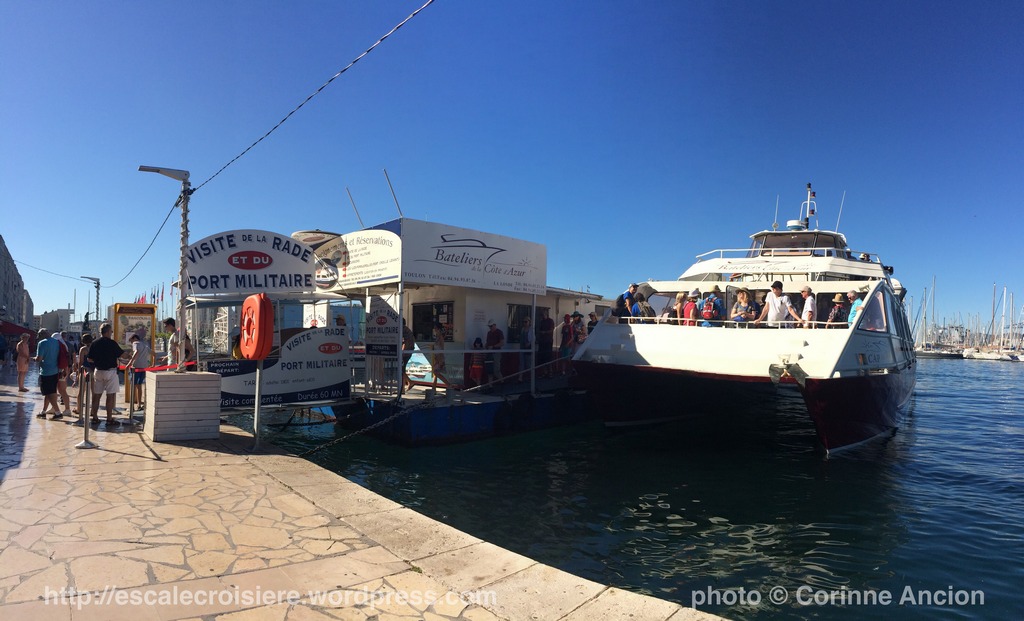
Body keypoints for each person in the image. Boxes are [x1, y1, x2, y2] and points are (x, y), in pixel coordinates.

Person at [87, 322, 127, 426]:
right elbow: (122, 355)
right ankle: (109, 419)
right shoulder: (112, 343)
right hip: (111, 372)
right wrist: (131, 356)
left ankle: (95, 418)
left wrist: (98, 360)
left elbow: (89, 359)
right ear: (108, 332)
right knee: (110, 396)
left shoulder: (94, 343)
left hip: (98, 371)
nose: (111, 333)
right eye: (111, 331)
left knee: (96, 396)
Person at [34, 329, 63, 419]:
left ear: (41, 335)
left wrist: (33, 359)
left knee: (49, 393)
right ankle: (43, 411)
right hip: (55, 370)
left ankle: (58, 412)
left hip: (45, 371)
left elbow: (39, 358)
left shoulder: (42, 343)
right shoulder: (56, 342)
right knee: (50, 392)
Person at [125, 333, 153, 410]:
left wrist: (129, 363)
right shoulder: (145, 345)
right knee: (139, 386)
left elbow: (136, 351)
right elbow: (154, 354)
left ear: (134, 338)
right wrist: (153, 364)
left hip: (136, 367)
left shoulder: (135, 343)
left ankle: (132, 407)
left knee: (133, 386)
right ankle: (139, 404)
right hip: (143, 368)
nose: (131, 343)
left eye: (131, 341)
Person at [77, 333, 98, 423]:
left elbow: (81, 361)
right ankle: (93, 411)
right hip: (94, 371)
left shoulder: (83, 349)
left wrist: (78, 372)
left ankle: (79, 409)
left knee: (81, 391)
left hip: (85, 371)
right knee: (94, 392)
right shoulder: (95, 348)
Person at [51, 332, 73, 415]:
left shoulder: (57, 346)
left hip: (59, 370)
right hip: (64, 370)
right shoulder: (64, 346)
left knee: (60, 390)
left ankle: (67, 409)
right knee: (61, 390)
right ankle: (62, 408)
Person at [430, 321, 449, 390]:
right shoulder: (438, 337)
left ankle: (448, 384)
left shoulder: (440, 337)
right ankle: (434, 388)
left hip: (439, 356)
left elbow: (441, 348)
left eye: (435, 328)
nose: (434, 329)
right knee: (436, 372)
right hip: (437, 356)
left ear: (438, 329)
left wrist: (439, 358)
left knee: (436, 372)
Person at [536, 310, 555, 378]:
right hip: (542, 341)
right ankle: (545, 372)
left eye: (543, 314)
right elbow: (539, 330)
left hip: (548, 341)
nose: (542, 316)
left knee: (548, 357)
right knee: (542, 358)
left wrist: (545, 332)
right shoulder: (541, 322)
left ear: (546, 314)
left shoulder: (550, 321)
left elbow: (552, 330)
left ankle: (550, 372)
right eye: (542, 315)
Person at [401, 319, 415, 390]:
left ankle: (410, 382)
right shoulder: (407, 329)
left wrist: (402, 352)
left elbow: (405, 342)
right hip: (410, 350)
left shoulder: (403, 330)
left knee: (401, 369)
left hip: (406, 352)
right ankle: (403, 388)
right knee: (402, 369)